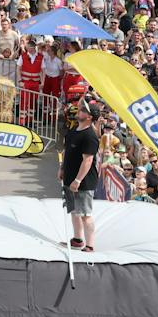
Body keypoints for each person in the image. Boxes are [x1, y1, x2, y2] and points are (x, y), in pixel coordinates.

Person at [60, 104, 99, 252]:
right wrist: (62, 168)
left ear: (89, 117)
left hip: (83, 182)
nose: (79, 111)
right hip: (70, 178)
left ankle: (90, 245)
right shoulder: (73, 131)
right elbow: (67, 152)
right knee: (74, 211)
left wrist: (78, 180)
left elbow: (87, 160)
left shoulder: (90, 136)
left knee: (85, 214)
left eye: (83, 110)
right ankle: (77, 239)